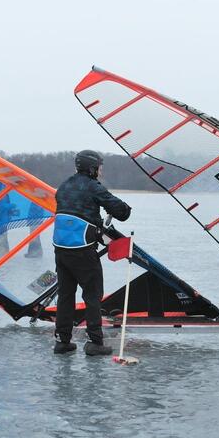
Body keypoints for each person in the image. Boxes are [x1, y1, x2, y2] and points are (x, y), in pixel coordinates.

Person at [52, 150, 131, 355]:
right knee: (92, 295)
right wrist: (121, 209)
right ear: (92, 168)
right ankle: (95, 342)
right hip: (83, 250)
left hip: (61, 249)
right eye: (99, 167)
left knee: (65, 295)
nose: (101, 170)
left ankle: (62, 341)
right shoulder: (93, 187)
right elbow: (122, 212)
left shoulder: (63, 186)